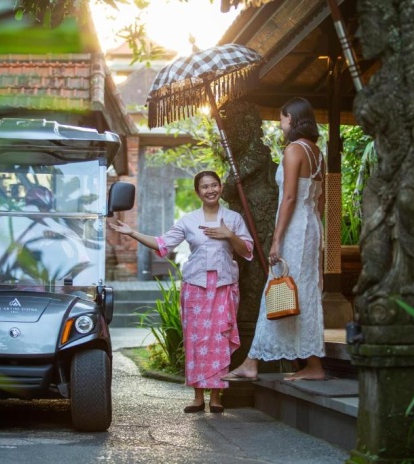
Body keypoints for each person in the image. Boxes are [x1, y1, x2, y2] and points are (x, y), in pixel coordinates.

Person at [109, 171, 253, 413]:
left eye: (214, 185)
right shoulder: (188, 220)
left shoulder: (233, 218)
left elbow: (247, 249)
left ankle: (216, 397)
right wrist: (132, 232)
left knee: (219, 340)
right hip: (195, 287)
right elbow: (162, 244)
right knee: (196, 340)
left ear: (220, 187)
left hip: (224, 286)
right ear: (197, 192)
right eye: (205, 187)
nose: (210, 190)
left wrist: (229, 234)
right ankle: (197, 397)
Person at [222, 97, 326, 382]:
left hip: (294, 228)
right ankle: (311, 363)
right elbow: (320, 199)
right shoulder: (318, 153)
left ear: (291, 118)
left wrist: (277, 239)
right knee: (303, 291)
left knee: (278, 287)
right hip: (311, 226)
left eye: (282, 118)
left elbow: (289, 198)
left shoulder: (294, 150)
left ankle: (253, 362)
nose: (280, 124)